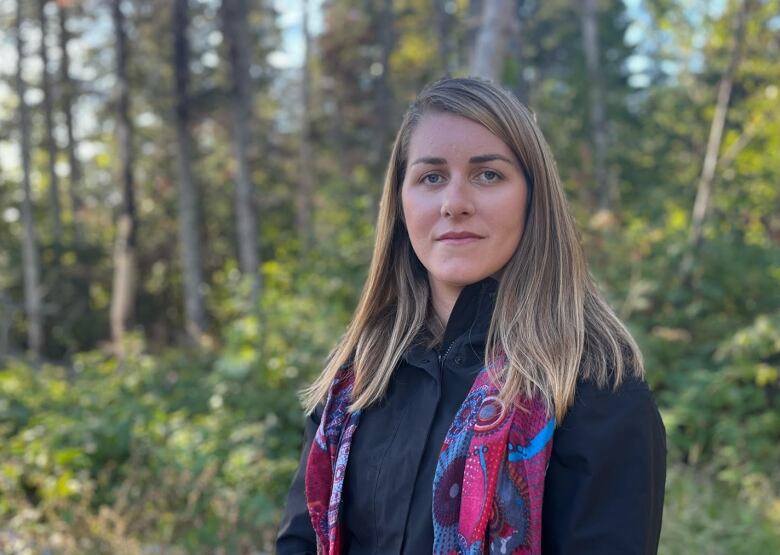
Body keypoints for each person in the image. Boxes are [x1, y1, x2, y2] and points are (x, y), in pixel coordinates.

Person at [276, 77, 666, 554]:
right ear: (400, 204)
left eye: (488, 175)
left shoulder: (594, 386)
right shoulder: (356, 383)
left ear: (533, 198)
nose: (454, 203)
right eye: (431, 177)